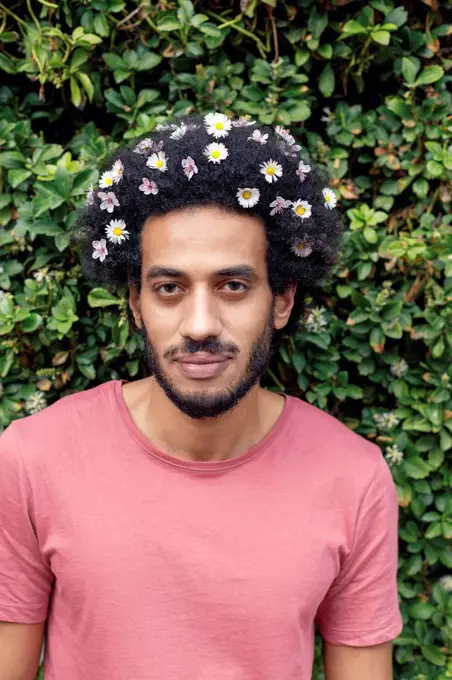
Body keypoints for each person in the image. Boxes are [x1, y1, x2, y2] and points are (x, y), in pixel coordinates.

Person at [0, 113, 403, 680]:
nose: (198, 324)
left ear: (282, 299)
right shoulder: (30, 460)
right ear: (136, 304)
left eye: (233, 286)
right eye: (169, 289)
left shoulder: (353, 479)